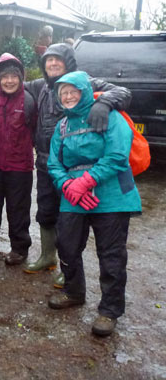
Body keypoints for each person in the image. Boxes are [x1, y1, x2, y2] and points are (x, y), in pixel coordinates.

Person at [23, 43, 131, 288]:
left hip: (76, 167)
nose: (52, 64)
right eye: (48, 61)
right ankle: (48, 256)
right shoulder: (42, 85)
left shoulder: (87, 82)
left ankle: (67, 270)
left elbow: (123, 92)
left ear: (68, 62)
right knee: (46, 211)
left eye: (57, 60)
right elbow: (14, 84)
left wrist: (104, 103)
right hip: (46, 163)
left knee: (69, 220)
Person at [47, 71, 141, 337]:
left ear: (84, 91)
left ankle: (109, 311)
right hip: (73, 196)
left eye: (72, 91)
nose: (67, 96)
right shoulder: (62, 126)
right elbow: (53, 163)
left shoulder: (109, 116)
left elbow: (117, 156)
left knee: (111, 254)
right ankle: (74, 292)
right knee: (66, 244)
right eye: (63, 93)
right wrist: (67, 185)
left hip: (111, 196)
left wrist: (86, 181)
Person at [0, 53, 36, 265]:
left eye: (14, 76)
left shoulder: (29, 99)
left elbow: (37, 130)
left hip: (20, 166)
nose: (9, 81)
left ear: (21, 78)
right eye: (5, 77)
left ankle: (19, 248)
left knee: (18, 208)